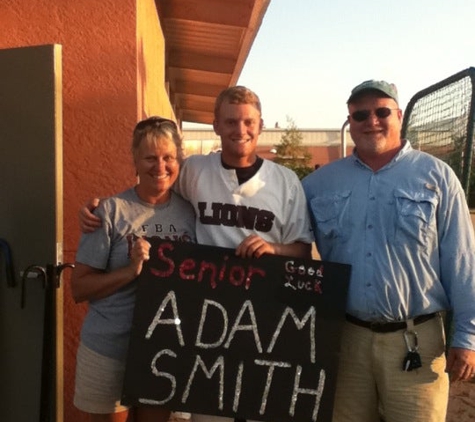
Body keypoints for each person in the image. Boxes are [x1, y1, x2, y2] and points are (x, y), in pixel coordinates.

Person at [79, 85, 314, 422]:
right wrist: (96, 208)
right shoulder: (195, 171)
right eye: (230, 121)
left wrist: (275, 248)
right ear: (216, 125)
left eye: (248, 122)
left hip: (261, 324)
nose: (240, 130)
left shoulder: (286, 181)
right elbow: (153, 185)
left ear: (261, 125)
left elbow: (303, 251)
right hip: (206, 327)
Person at [302, 80, 475, 422]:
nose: (372, 121)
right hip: (345, 340)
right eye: (361, 114)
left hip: (417, 342)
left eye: (382, 112)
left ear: (398, 116)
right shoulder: (318, 184)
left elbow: (462, 262)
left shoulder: (437, 177)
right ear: (350, 121)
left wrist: (467, 336)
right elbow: (288, 242)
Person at [71, 116, 196, 422]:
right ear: (135, 161)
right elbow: (79, 288)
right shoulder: (110, 212)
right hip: (110, 348)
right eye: (150, 158)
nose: (160, 166)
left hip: (164, 348)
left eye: (168, 157)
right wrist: (129, 271)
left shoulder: (191, 212)